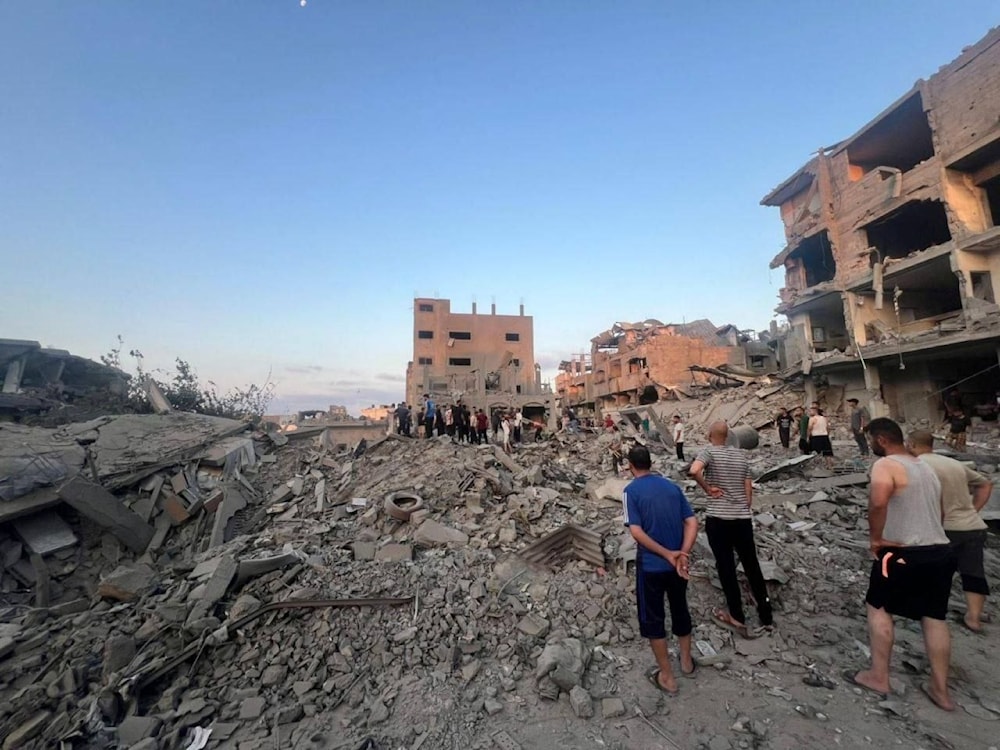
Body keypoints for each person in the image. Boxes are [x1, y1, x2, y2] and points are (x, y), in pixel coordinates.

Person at [850, 418, 956, 711]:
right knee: (934, 617)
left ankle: (879, 676)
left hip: (902, 552)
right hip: (939, 550)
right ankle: (940, 690)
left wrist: (875, 539)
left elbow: (879, 502)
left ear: (882, 440)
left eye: (871, 439)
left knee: (879, 608)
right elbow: (941, 509)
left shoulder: (886, 464)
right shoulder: (925, 466)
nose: (871, 444)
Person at [622, 444, 698, 694]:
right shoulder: (671, 487)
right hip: (678, 567)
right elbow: (691, 521)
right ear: (651, 463)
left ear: (630, 465)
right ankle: (686, 663)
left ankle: (667, 676)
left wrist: (666, 553)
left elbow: (636, 531)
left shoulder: (631, 491)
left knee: (654, 618)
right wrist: (682, 553)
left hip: (652, 567)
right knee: (680, 609)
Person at [689, 422, 773, 635]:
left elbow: (694, 470)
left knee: (726, 566)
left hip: (718, 518)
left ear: (710, 435)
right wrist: (743, 507)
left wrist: (708, 488)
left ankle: (737, 615)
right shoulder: (740, 455)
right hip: (742, 518)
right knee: (751, 564)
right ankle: (766, 614)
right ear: (727, 437)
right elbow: (748, 489)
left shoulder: (708, 451)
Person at [909, 430, 993, 632]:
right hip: (972, 527)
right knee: (973, 573)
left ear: (911, 444)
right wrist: (973, 510)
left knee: (934, 572)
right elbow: (985, 484)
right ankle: (973, 618)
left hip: (943, 529)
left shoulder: (918, 466)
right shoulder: (954, 464)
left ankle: (931, 612)